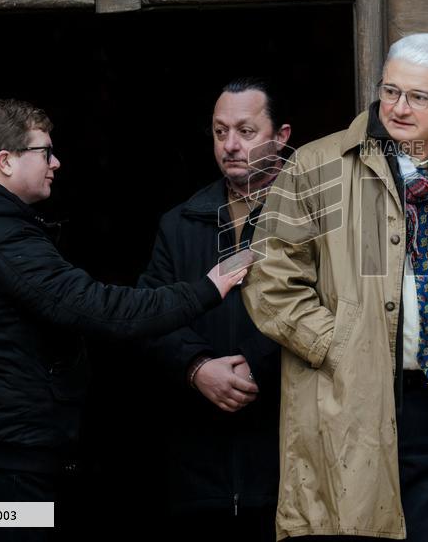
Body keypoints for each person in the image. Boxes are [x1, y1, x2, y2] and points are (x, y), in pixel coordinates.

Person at [242, 33, 428, 541]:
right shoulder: (316, 167)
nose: (399, 108)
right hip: (347, 401)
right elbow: (270, 276)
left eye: (418, 97)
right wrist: (338, 343)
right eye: (391, 91)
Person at [0, 99, 244, 518]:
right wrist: (207, 288)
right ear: (5, 161)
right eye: (45, 151)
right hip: (6, 469)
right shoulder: (3, 240)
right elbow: (103, 311)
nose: (56, 162)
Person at [137, 78, 291, 538]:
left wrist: (258, 363)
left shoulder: (314, 217)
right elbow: (147, 316)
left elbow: (336, 310)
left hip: (288, 462)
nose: (231, 145)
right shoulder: (180, 222)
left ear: (281, 136)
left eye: (246, 131)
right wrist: (197, 366)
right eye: (220, 132)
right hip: (197, 468)